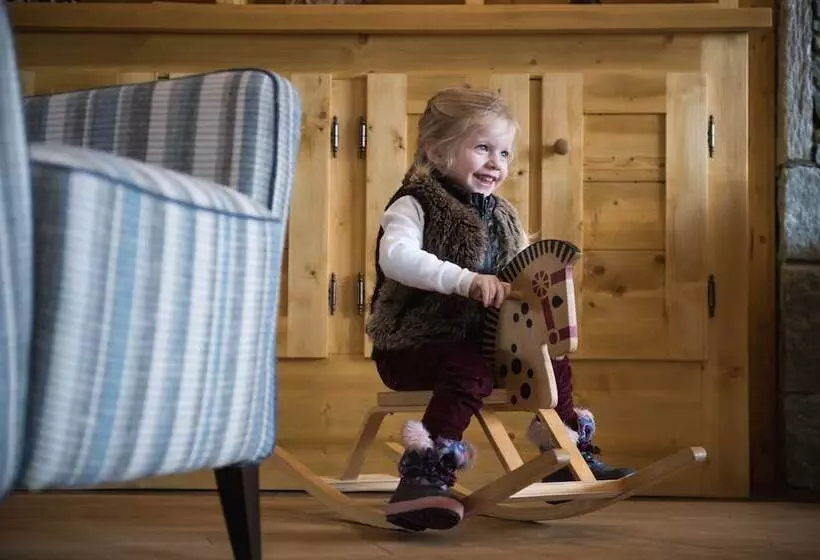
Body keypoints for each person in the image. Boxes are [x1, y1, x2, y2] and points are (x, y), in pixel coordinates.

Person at [365, 87, 633, 532]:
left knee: (551, 360)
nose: (497, 163)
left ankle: (565, 458)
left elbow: (522, 272)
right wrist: (467, 281)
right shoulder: (414, 204)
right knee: (469, 372)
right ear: (436, 149)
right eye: (483, 147)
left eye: (505, 152)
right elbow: (397, 258)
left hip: (483, 344)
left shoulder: (504, 216)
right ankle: (423, 478)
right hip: (413, 346)